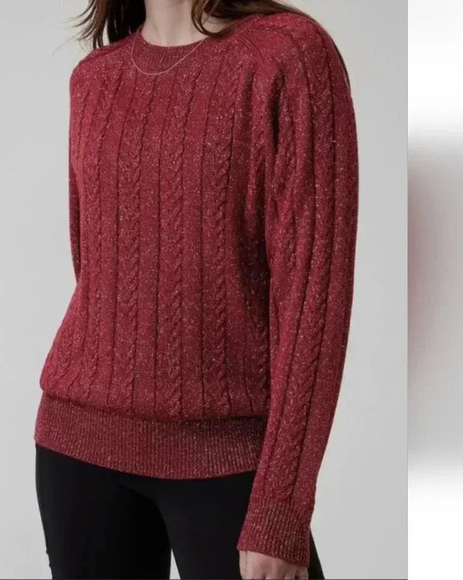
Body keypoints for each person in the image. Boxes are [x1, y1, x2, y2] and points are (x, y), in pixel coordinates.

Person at [33, 1, 359, 578]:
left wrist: (281, 508)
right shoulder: (94, 79)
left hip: (227, 459)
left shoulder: (286, 55)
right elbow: (98, 270)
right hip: (78, 449)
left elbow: (314, 299)